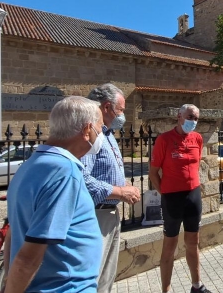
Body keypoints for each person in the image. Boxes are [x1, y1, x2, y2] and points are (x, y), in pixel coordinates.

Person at [4, 96, 104, 293]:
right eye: (100, 128)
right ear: (87, 130)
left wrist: (10, 282)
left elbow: (12, 234)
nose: (100, 134)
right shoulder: (64, 172)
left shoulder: (31, 166)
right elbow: (28, 257)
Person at [81, 83, 141, 292]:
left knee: (106, 279)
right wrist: (119, 192)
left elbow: (105, 172)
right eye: (121, 110)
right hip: (96, 216)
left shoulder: (108, 135)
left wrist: (124, 186)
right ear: (107, 107)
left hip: (111, 214)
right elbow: (83, 179)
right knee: (92, 279)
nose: (123, 115)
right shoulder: (91, 135)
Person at [149, 104, 211, 293]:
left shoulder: (197, 139)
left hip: (193, 196)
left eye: (196, 119)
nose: (194, 121)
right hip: (172, 199)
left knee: (193, 243)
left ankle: (196, 285)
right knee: (170, 246)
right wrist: (165, 193)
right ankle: (166, 290)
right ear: (179, 116)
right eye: (190, 117)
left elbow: (195, 165)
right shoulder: (164, 139)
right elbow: (153, 172)